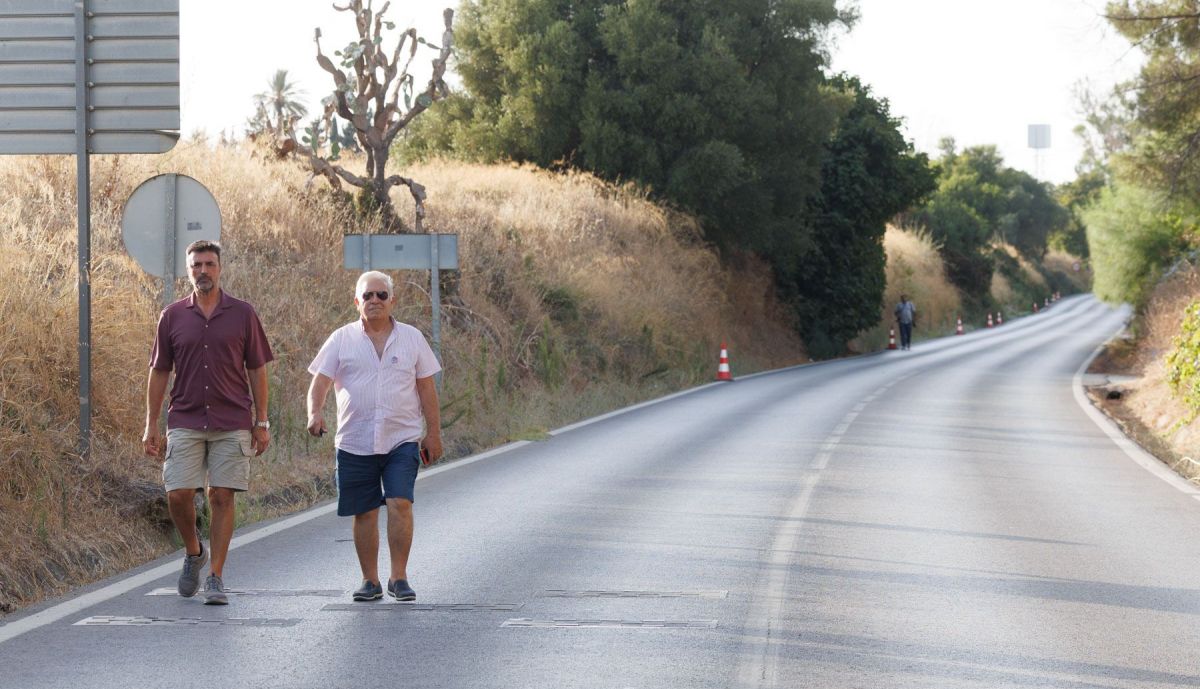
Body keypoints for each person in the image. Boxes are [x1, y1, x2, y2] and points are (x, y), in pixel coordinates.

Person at [143, 240, 274, 605]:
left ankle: (215, 575)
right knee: (178, 493)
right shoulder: (171, 316)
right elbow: (159, 372)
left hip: (232, 419)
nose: (203, 271)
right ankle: (193, 551)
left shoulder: (243, 313)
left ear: (220, 268)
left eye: (209, 264)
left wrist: (261, 421)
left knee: (221, 495)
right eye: (196, 265)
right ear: (187, 270)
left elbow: (257, 368)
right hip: (184, 417)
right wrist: (151, 424)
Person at [306, 271, 443, 602]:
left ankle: (399, 577)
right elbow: (320, 383)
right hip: (355, 440)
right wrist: (315, 412)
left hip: (402, 439)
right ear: (357, 302)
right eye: (367, 296)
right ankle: (371, 580)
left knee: (400, 503)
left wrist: (434, 433)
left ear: (392, 301)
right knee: (365, 511)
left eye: (382, 295)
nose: (375, 301)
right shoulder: (341, 339)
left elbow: (426, 387)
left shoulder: (412, 338)